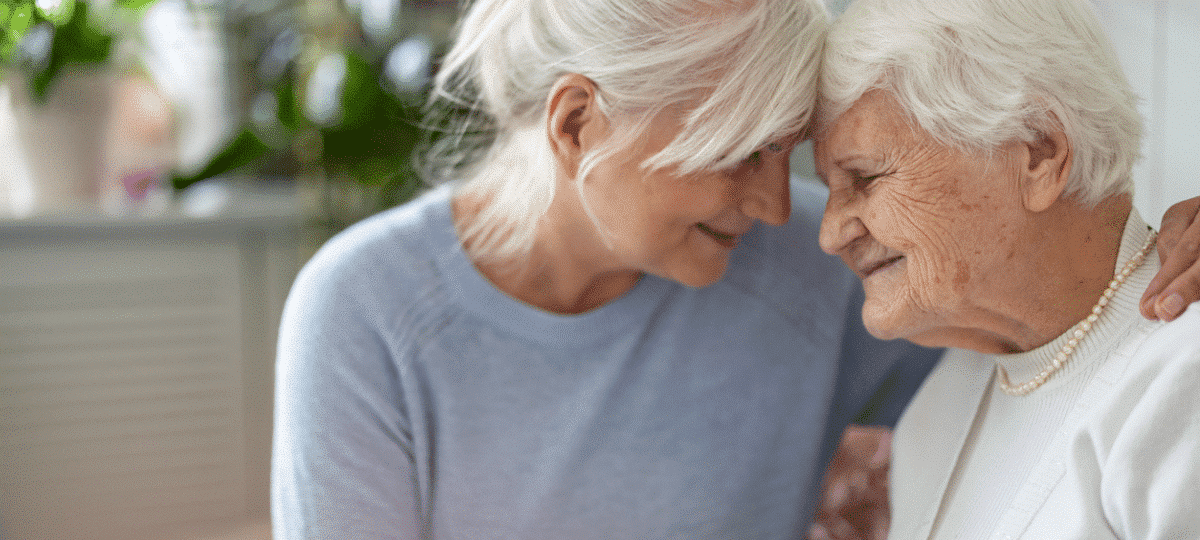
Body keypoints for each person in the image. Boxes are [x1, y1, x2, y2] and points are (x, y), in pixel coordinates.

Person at [271, 0, 1200, 538]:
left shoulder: (811, 258)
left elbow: (1052, 317)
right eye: (735, 154)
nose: (774, 208)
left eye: (783, 155)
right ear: (575, 125)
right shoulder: (365, 312)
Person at [814, 0, 1200, 538]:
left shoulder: (1183, 377)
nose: (831, 234)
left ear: (1040, 153)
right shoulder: (938, 407)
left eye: (866, 177)